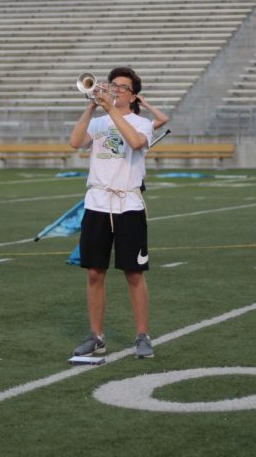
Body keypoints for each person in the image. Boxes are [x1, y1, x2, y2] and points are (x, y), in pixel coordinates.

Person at [68, 67, 155, 359]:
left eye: (122, 87)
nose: (115, 89)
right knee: (94, 271)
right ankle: (96, 337)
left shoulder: (143, 123)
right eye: (112, 85)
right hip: (97, 203)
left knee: (133, 272)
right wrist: (93, 105)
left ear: (132, 95)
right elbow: (75, 141)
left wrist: (110, 109)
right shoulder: (100, 121)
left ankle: (142, 335)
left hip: (128, 205)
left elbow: (135, 142)